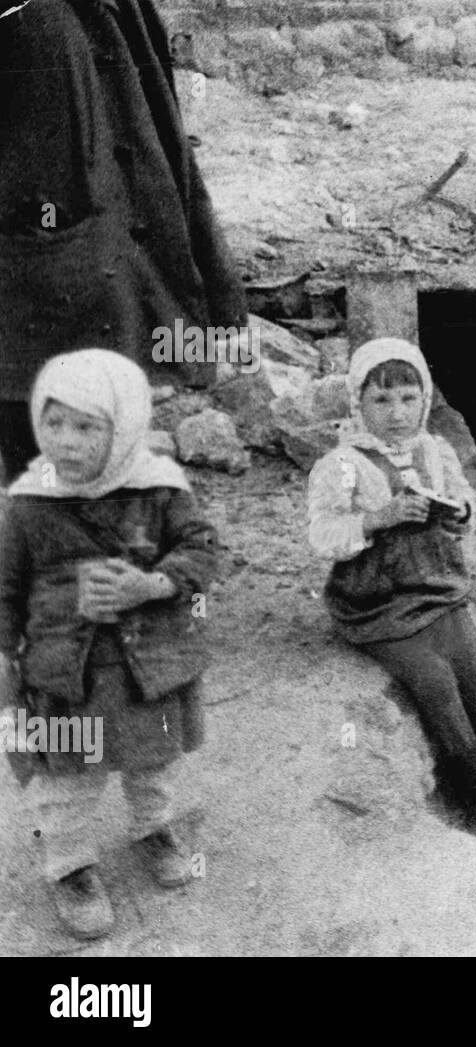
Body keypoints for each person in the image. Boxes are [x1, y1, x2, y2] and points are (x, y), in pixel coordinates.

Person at [0, 349, 218, 941]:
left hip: (147, 666)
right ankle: (69, 867)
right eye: (53, 422)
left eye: (86, 426)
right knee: (66, 780)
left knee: (152, 761)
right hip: (64, 675)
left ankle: (152, 828)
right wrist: (6, 663)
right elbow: (6, 590)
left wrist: (152, 583)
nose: (65, 441)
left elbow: (202, 551)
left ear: (121, 428)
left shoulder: (159, 489)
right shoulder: (25, 504)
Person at [306, 338, 476, 853]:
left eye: (408, 399)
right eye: (381, 401)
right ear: (358, 403)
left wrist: (459, 513)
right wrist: (376, 518)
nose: (397, 414)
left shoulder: (436, 450)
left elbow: (466, 503)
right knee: (434, 681)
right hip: (377, 605)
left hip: (437, 592)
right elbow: (322, 536)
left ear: (425, 399)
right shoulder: (343, 464)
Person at [0, 0, 248, 480]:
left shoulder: (116, 12)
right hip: (33, 257)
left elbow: (156, 138)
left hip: (105, 251)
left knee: (93, 420)